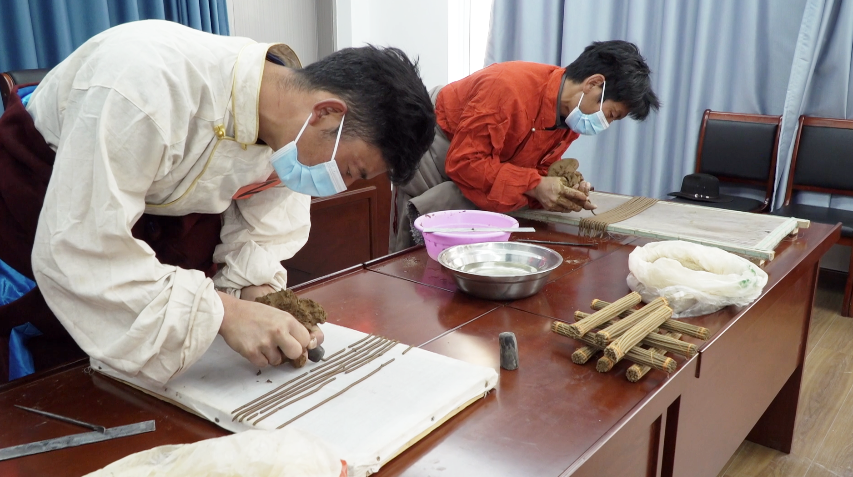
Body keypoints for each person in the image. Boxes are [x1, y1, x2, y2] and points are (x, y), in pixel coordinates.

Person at [0, 20, 435, 384]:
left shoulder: (290, 137)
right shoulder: (145, 85)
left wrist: (260, 296)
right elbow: (82, 248)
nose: (340, 185)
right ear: (327, 113)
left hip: (144, 239)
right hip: (44, 227)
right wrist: (225, 313)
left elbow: (258, 236)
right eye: (352, 169)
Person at [391, 40, 660, 252]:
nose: (605, 124)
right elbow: (466, 163)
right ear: (593, 84)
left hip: (475, 157)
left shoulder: (568, 118)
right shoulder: (507, 89)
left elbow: (532, 168)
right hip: (437, 142)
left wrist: (561, 186)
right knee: (425, 242)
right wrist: (535, 185)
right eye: (610, 114)